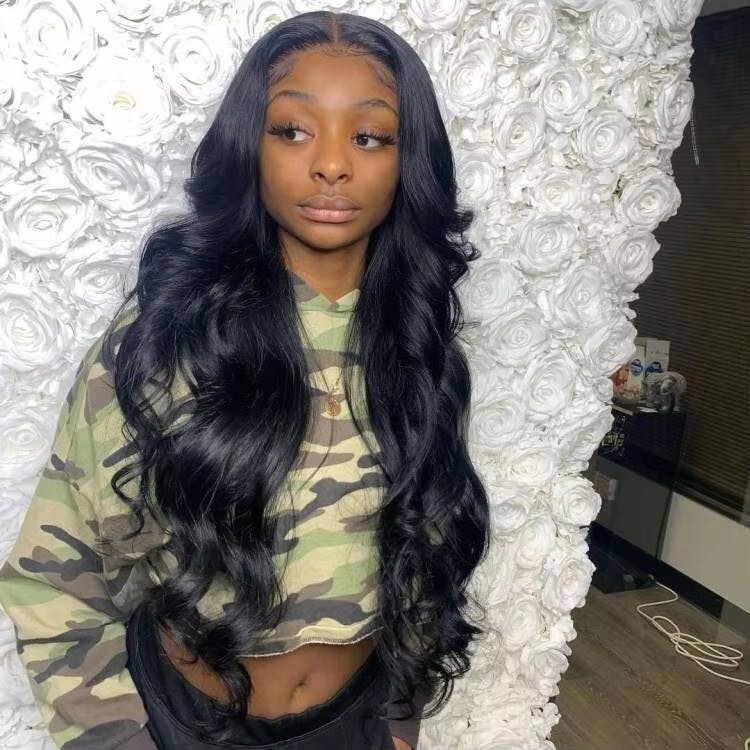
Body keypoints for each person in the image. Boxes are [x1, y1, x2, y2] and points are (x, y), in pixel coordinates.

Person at [0, 10, 491, 750]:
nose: (331, 164)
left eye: (369, 136)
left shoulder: (418, 348)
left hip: (352, 723)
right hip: (183, 726)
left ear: (408, 159)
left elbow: (425, 542)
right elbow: (57, 573)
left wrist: (400, 718)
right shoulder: (170, 339)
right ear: (248, 148)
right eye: (292, 130)